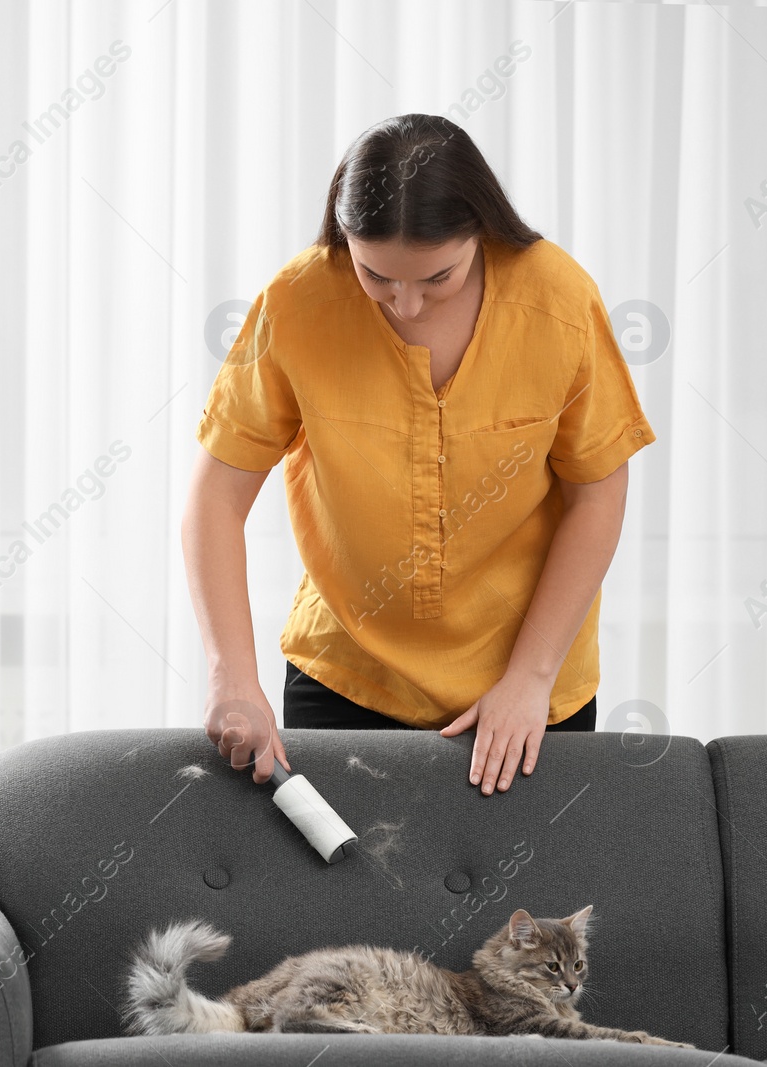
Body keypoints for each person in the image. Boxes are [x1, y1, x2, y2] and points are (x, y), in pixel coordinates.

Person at [183, 114, 657, 797]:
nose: (406, 304)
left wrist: (528, 678)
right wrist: (232, 675)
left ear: (481, 231)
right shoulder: (297, 302)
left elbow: (598, 496)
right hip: (344, 674)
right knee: (343, 903)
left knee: (524, 905)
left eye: (438, 277)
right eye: (376, 275)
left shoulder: (559, 300)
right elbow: (214, 499)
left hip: (527, 682)